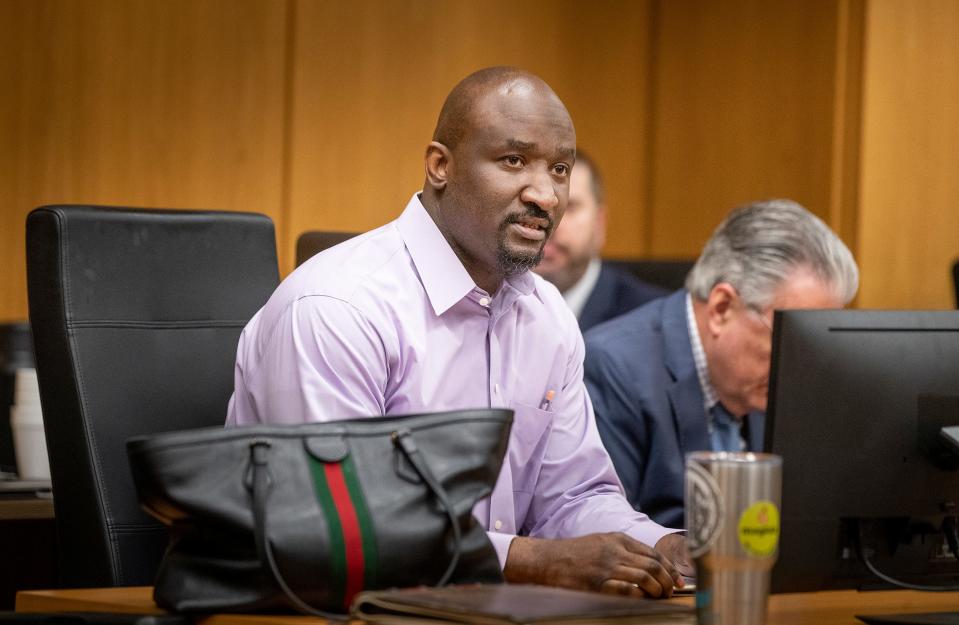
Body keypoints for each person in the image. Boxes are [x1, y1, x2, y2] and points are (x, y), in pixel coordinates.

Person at [226, 67, 690, 597]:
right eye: (513, 160)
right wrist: (531, 560)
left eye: (559, 169)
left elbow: (573, 498)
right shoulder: (337, 307)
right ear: (440, 166)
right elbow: (340, 525)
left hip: (479, 608)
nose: (546, 195)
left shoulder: (547, 316)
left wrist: (665, 548)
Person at [584, 200, 859, 528]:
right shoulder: (613, 367)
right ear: (722, 308)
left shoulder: (763, 384)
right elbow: (606, 538)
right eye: (792, 341)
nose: (803, 367)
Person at [534, 151, 666, 331]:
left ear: (599, 224)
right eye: (534, 207)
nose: (548, 223)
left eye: (568, 208)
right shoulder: (486, 307)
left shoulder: (652, 318)